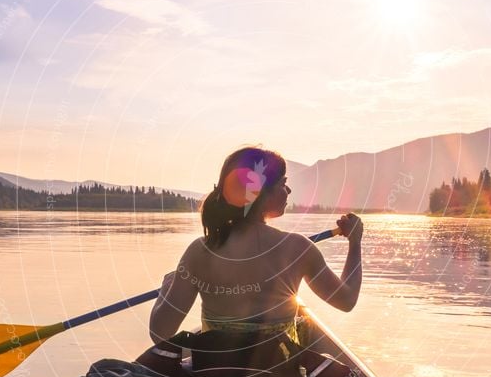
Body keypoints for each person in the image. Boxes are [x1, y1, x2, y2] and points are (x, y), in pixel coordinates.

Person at [149, 146, 363, 344]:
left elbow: (160, 334)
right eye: (282, 183)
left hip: (216, 375)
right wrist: (354, 242)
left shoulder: (200, 251)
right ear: (261, 192)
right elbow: (346, 301)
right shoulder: (298, 248)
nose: (288, 190)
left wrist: (168, 287)